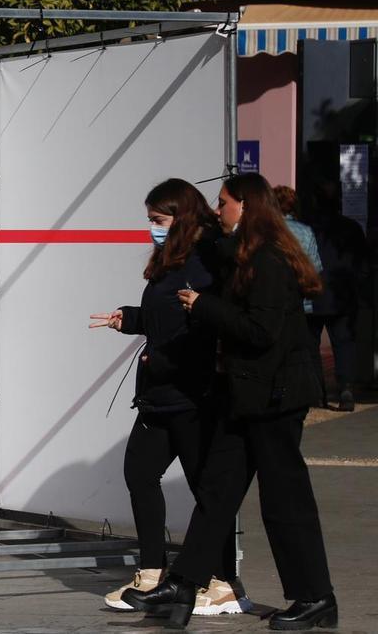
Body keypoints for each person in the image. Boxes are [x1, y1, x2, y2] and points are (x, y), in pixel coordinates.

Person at [123, 173, 335, 630]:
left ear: (247, 206)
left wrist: (203, 306)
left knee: (285, 502)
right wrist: (191, 227)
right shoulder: (243, 254)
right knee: (217, 493)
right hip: (247, 397)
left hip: (276, 399)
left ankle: (315, 597)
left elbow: (261, 333)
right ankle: (183, 583)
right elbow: (210, 249)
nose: (219, 211)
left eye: (224, 204)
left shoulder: (271, 262)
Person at [90, 179, 244, 616]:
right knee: (140, 473)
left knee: (206, 489)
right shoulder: (169, 261)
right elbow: (164, 316)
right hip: (160, 395)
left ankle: (222, 582)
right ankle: (153, 572)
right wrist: (131, 319)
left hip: (191, 396)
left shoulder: (206, 261)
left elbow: (200, 326)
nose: (152, 229)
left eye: (158, 220)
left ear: (181, 217)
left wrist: (162, 357)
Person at [305, 178, 367, 412]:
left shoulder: (307, 227)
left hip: (313, 294)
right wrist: (356, 284)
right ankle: (346, 388)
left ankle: (316, 393)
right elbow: (363, 262)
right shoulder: (351, 228)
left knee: (310, 345)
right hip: (342, 294)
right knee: (344, 343)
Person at [272, 186, 322, 317]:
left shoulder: (266, 230)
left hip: (273, 300)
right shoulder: (306, 231)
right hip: (300, 301)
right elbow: (315, 267)